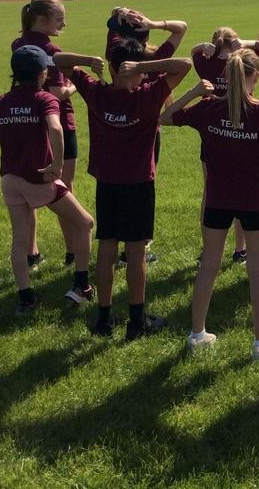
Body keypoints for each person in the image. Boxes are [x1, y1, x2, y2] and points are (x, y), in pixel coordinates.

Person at [160, 49, 259, 360]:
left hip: (217, 201)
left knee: (209, 265)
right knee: (258, 270)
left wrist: (193, 93)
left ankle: (197, 333)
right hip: (254, 203)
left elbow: (164, 118)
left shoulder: (208, 108)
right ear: (257, 77)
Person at [54, 43, 191, 341]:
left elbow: (58, 59)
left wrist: (89, 60)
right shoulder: (148, 95)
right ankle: (136, 321)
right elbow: (185, 65)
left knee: (107, 248)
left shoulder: (97, 92)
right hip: (139, 184)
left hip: (108, 183)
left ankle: (104, 319)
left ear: (112, 68)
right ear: (134, 70)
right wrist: (143, 67)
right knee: (136, 252)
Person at [0, 46, 95, 315]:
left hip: (10, 180)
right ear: (42, 73)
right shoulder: (44, 99)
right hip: (38, 180)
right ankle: (82, 286)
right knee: (85, 224)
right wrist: (57, 165)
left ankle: (26, 299)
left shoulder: (0, 102)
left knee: (20, 239)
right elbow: (55, 126)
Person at [104, 7, 187, 266]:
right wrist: (154, 22)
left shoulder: (114, 53)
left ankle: (115, 245)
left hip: (113, 127)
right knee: (142, 187)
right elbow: (181, 27)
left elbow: (114, 29)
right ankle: (135, 250)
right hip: (147, 132)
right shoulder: (157, 59)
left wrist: (120, 13)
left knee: (115, 186)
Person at [12, 0, 80, 268]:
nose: (63, 23)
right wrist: (77, 81)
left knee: (26, 192)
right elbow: (59, 92)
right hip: (58, 123)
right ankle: (74, 252)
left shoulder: (18, 44)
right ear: (42, 19)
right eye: (59, 19)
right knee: (64, 190)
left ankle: (32, 253)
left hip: (25, 123)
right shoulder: (52, 50)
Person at [190, 27, 259, 265]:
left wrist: (202, 47)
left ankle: (208, 249)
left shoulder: (205, 63)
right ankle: (240, 249)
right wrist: (244, 42)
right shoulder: (240, 62)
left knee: (210, 192)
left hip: (213, 134)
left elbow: (192, 53)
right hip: (244, 133)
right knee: (243, 193)